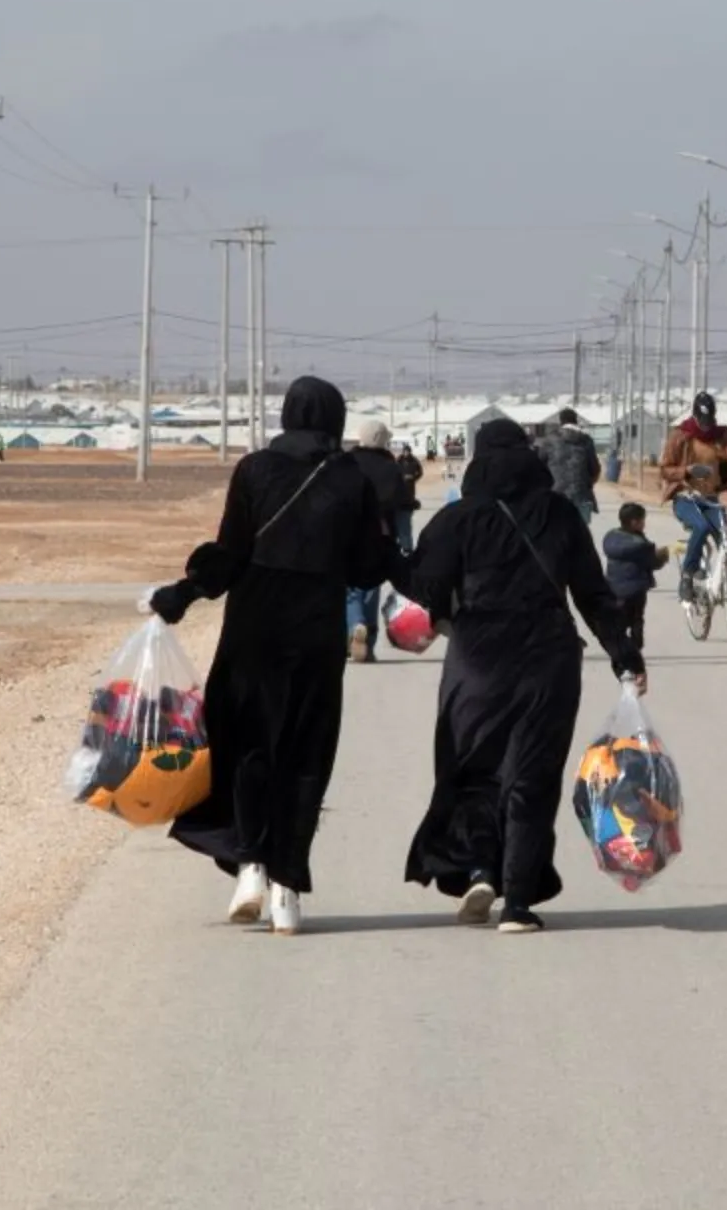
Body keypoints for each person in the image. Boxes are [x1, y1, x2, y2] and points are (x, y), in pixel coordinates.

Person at [145, 377, 392, 936]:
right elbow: (363, 568)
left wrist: (181, 595)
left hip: (254, 633)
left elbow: (230, 554)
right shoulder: (350, 478)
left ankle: (250, 866)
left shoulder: (254, 469)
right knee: (304, 758)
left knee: (247, 748)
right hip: (316, 638)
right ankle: (288, 891)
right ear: (333, 418)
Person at [395, 418, 645, 934]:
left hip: (477, 661)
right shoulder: (558, 514)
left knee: (473, 771)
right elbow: (594, 596)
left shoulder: (458, 519)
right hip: (546, 659)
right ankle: (517, 904)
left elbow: (423, 590)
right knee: (530, 777)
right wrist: (625, 656)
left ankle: (481, 869)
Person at [659, 392, 727, 604]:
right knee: (701, 527)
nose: (706, 427)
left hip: (712, 497)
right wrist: (688, 470)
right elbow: (665, 470)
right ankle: (687, 575)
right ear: (694, 416)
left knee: (725, 537)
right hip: (685, 497)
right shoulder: (680, 435)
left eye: (709, 422)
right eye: (702, 422)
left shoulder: (721, 436)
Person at [344, 418, 409, 664]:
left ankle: (355, 627)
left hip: (348, 534)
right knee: (371, 588)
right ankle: (368, 644)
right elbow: (402, 507)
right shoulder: (390, 467)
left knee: (350, 591)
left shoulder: (347, 463)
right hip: (379, 535)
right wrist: (405, 541)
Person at [601, 501, 670, 665]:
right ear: (634, 522)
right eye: (642, 520)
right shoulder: (641, 545)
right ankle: (635, 650)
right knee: (637, 620)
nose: (644, 524)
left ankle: (620, 650)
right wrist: (663, 556)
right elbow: (653, 563)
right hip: (636, 590)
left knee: (620, 621)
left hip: (614, 588)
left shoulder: (612, 538)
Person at [537, 407, 602, 523]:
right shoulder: (586, 440)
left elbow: (539, 467)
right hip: (581, 494)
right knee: (581, 534)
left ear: (561, 422)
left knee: (558, 532)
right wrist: (587, 484)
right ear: (576, 420)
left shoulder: (549, 440)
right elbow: (595, 469)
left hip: (556, 495)